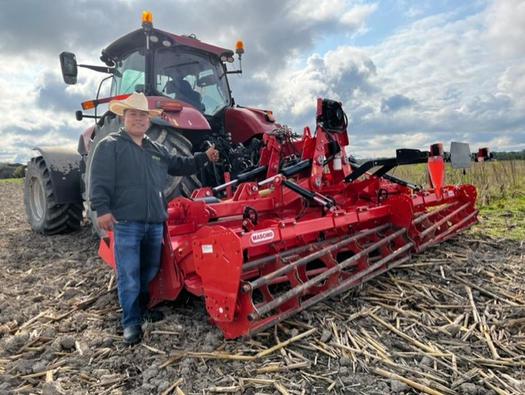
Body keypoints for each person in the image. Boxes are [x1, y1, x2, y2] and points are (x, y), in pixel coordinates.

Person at [89, 92, 219, 345]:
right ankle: (131, 322)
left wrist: (204, 158)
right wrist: (101, 209)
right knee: (128, 273)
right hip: (126, 222)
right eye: (133, 114)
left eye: (143, 115)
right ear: (124, 117)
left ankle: (144, 307)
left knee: (149, 268)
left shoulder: (156, 149)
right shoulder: (110, 146)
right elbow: (99, 180)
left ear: (149, 120)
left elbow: (180, 165)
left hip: (154, 222)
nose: (138, 119)